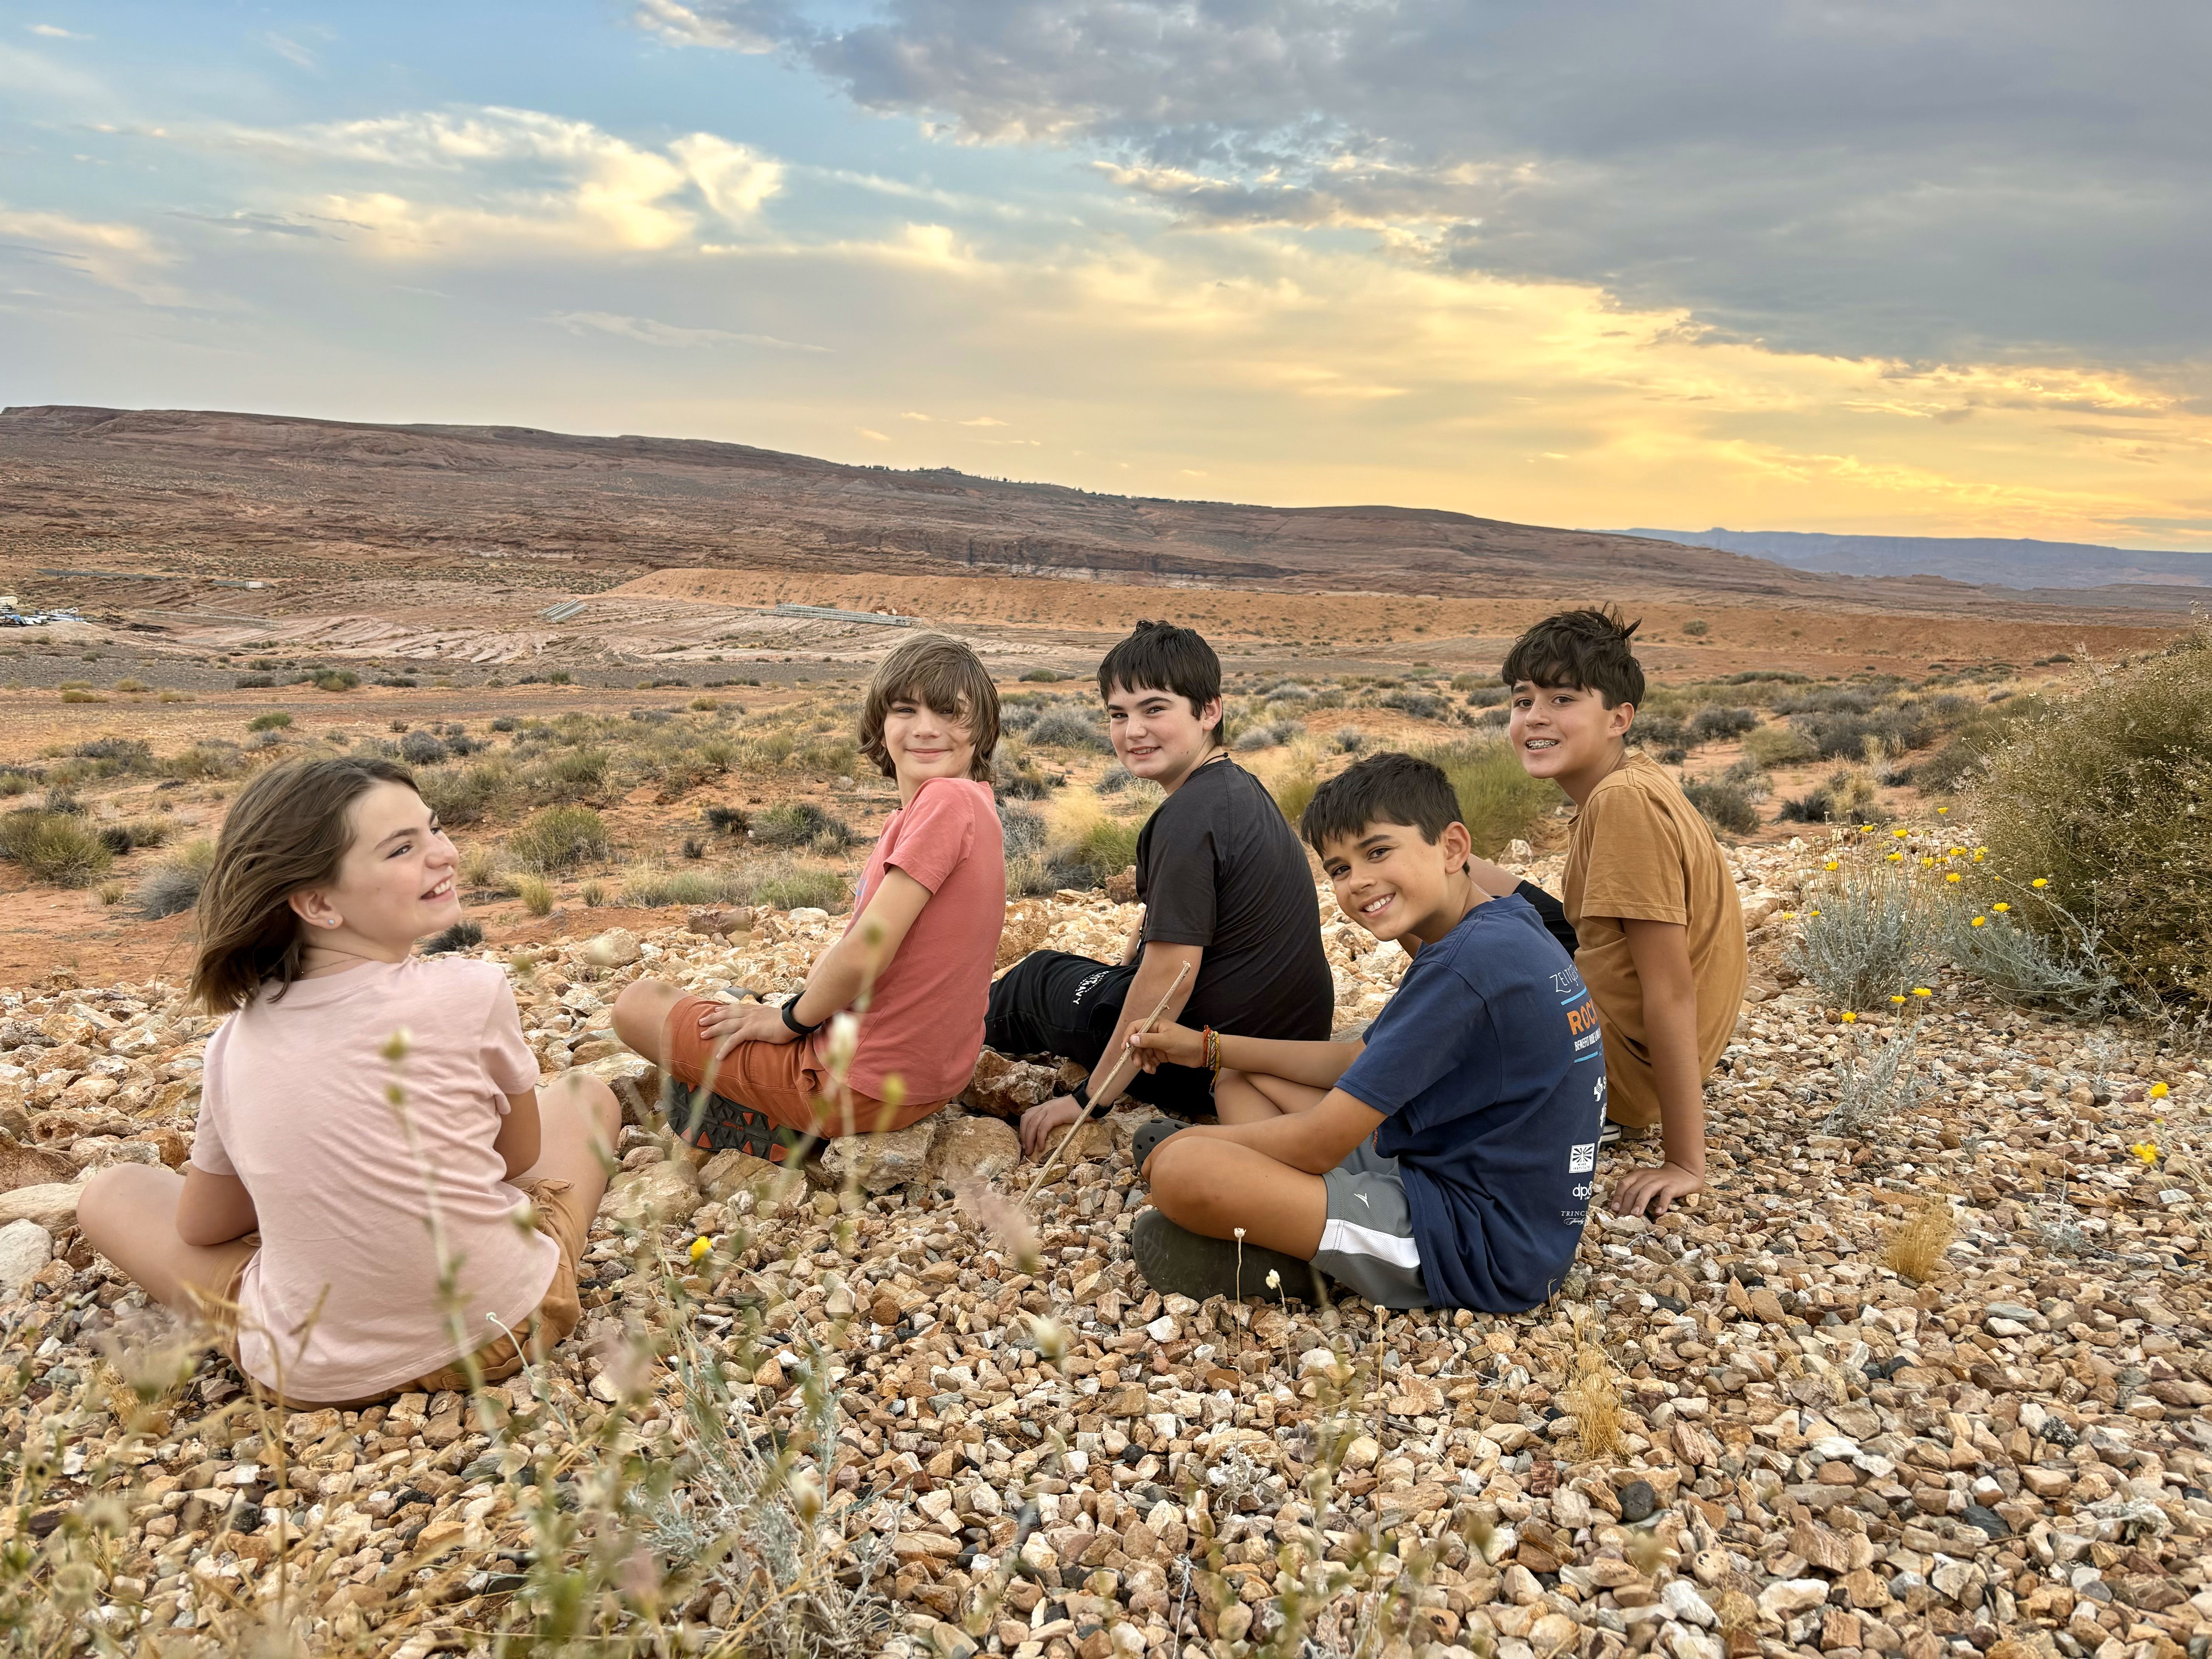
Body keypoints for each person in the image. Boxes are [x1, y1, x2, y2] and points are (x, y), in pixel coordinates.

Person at [77, 756, 619, 1407]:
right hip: (508, 1330)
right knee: (586, 1095)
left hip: (309, 1376)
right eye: (402, 848)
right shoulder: (473, 990)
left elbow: (202, 1226)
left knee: (110, 1192)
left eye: (434, 828)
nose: (445, 853)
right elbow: (519, 1158)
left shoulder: (233, 1043)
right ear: (317, 903)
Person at [1123, 753, 1602, 1312]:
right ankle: (1287, 1221)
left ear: (1453, 847)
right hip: (1448, 1173)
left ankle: (1297, 1257)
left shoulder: (1467, 966)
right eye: (1339, 869)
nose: (1359, 882)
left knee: (1180, 1171)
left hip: (1475, 1244)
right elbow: (1359, 1060)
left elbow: (1318, 1143)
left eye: (1377, 852)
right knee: (1237, 1076)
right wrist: (1208, 1047)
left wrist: (1190, 1145)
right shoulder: (1499, 924)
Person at [614, 633, 1006, 1154]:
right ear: (881, 723)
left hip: (855, 1087)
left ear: (982, 730)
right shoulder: (973, 804)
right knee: (785, 983)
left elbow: (867, 950)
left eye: (949, 712)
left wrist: (787, 1021)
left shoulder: (945, 802)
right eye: (906, 709)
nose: (926, 728)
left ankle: (764, 1115)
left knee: (636, 1004)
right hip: (932, 1080)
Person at [986, 620, 1333, 1155]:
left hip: (1204, 1056)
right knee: (1101, 974)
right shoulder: (1239, 789)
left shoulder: (1188, 817)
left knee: (1037, 978)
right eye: (1118, 715)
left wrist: (1089, 1099)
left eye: (1154, 709)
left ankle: (928, 1042)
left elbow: (1171, 975)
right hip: (1288, 1047)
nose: (1133, 732)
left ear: (1209, 711)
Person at [1505, 606, 1747, 1219]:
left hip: (1620, 1075)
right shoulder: (1626, 782)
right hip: (1623, 1036)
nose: (1536, 716)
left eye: (1563, 699)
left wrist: (1685, 1161)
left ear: (1619, 718)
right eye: (1523, 700)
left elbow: (1671, 990)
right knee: (1450, 879)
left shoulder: (1623, 805)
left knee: (1460, 930)